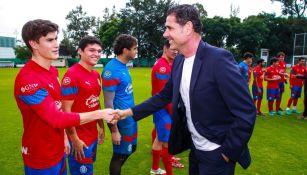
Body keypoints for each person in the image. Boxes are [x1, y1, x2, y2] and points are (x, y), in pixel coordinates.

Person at [116, 4, 256, 175]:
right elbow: (163, 96)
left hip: (218, 154)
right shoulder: (180, 61)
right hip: (195, 150)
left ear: (188, 28)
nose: (165, 34)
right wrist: (128, 112)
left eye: (169, 27)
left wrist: (227, 152)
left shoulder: (218, 59)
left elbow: (246, 111)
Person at [14, 19, 116, 175]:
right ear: (33, 44)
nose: (56, 44)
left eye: (56, 39)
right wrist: (100, 114)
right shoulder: (28, 78)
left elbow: (58, 106)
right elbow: (56, 117)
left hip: (59, 149)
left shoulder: (53, 72)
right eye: (49, 40)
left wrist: (64, 138)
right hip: (40, 155)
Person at [61, 36, 104, 175]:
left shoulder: (96, 75)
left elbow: (95, 103)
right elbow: (65, 112)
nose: (96, 54)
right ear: (80, 51)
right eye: (91, 50)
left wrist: (101, 126)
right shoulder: (72, 75)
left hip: (92, 134)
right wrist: (74, 139)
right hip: (79, 138)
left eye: (99, 51)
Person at [101, 34, 138, 175]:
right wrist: (114, 130)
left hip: (130, 117)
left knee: (132, 148)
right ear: (125, 50)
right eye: (134, 48)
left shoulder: (123, 66)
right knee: (119, 155)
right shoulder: (112, 71)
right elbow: (108, 104)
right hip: (121, 122)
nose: (136, 51)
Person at [150, 40, 181, 175]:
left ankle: (155, 169)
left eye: (177, 49)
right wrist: (173, 112)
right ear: (165, 48)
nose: (175, 51)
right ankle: (169, 173)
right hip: (163, 109)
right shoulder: (162, 67)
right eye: (173, 49)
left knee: (159, 139)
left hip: (161, 108)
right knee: (166, 143)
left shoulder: (168, 64)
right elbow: (165, 95)